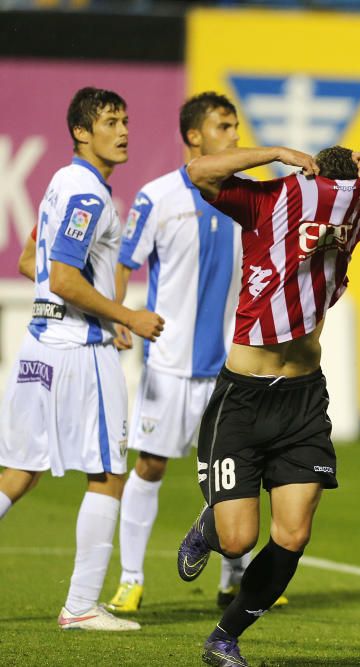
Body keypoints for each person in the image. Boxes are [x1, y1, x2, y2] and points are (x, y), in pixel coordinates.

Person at [176, 143, 360, 666]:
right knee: (237, 541)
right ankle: (210, 524)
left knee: (293, 533)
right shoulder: (267, 200)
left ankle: (224, 638)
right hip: (244, 394)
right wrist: (275, 152)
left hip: (302, 398)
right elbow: (198, 171)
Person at [103, 92, 286, 614]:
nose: (233, 136)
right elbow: (125, 260)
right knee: (152, 465)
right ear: (193, 137)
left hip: (232, 365)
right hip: (170, 361)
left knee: (237, 469)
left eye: (234, 126)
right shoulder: (157, 196)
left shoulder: (245, 197)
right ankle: (132, 579)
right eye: (223, 127)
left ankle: (234, 578)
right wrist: (119, 315)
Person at [0, 87, 164, 631]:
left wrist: (98, 310)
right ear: (81, 131)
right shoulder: (90, 196)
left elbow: (32, 262)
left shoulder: (57, 183)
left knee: (19, 473)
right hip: (78, 352)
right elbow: (66, 277)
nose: (123, 131)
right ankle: (80, 607)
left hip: (37, 346)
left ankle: (81, 606)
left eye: (126, 119)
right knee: (110, 472)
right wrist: (125, 314)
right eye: (111, 121)